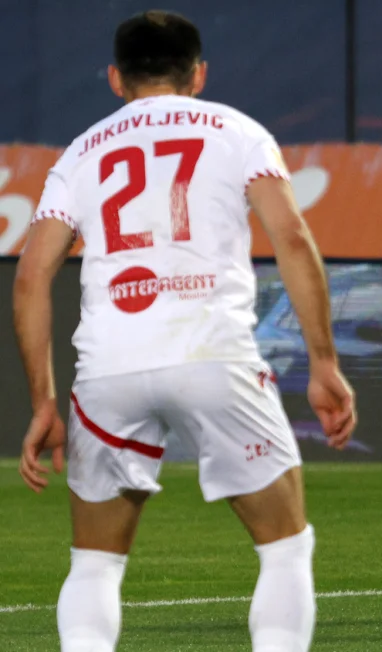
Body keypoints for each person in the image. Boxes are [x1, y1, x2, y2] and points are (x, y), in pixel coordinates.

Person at [14, 11, 356, 651]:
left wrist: (43, 402)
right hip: (214, 356)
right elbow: (292, 237)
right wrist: (323, 361)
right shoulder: (236, 131)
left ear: (116, 78)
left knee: (94, 564)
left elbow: (32, 277)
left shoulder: (81, 152)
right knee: (285, 549)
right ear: (198, 74)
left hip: (109, 367)